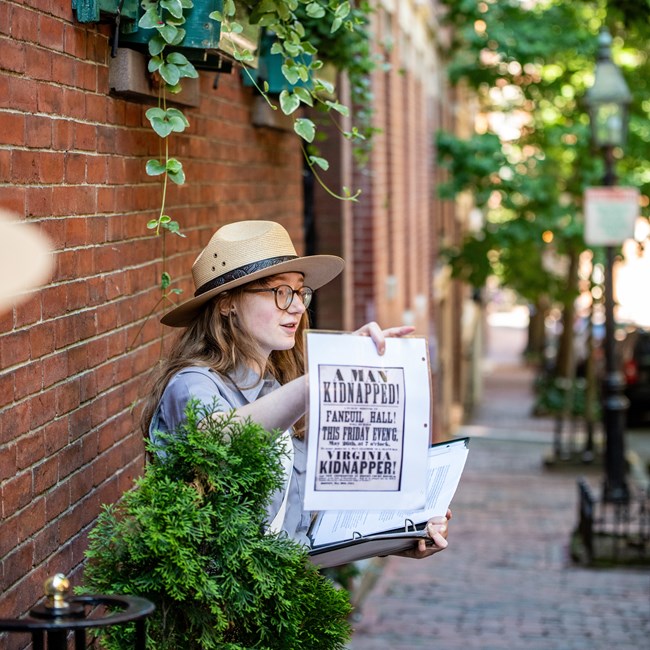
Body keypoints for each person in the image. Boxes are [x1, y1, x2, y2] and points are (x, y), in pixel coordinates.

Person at [141, 220, 450, 560]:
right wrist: (322, 377)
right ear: (227, 303)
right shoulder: (192, 383)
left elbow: (307, 527)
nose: (299, 307)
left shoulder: (277, 387)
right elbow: (217, 439)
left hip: (285, 598)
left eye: (300, 292)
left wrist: (403, 534)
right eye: (280, 292)